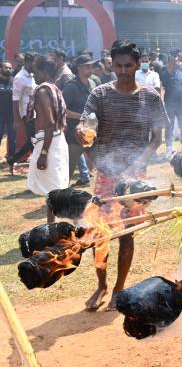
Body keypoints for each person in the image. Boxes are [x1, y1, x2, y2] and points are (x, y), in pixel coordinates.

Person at [76, 40, 169, 311]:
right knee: (99, 234)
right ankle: (102, 285)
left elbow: (157, 138)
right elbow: (85, 127)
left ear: (138, 64)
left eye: (129, 65)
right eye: (118, 65)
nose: (123, 70)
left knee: (127, 234)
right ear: (111, 65)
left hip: (134, 179)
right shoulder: (100, 95)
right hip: (106, 175)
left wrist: (136, 165)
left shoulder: (150, 96)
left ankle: (119, 289)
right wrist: (82, 136)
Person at [26, 55, 69, 223]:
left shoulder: (43, 90)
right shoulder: (54, 88)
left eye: (35, 72)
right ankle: (51, 226)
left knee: (52, 190)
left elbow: (50, 123)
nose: (33, 75)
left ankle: (52, 228)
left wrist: (44, 152)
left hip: (49, 142)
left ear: (43, 71)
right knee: (53, 189)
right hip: (55, 140)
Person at [62, 55, 97, 187]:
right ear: (79, 68)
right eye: (87, 67)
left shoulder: (93, 83)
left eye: (91, 66)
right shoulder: (71, 87)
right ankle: (59, 198)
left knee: (104, 165)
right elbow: (63, 111)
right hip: (74, 136)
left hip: (92, 134)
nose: (90, 69)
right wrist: (83, 117)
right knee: (67, 172)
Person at [8, 52, 36, 173]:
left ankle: (13, 159)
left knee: (33, 140)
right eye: (34, 63)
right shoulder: (20, 78)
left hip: (36, 112)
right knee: (33, 140)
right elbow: (15, 100)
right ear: (28, 62)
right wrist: (16, 119)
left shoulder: (33, 75)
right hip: (27, 114)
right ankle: (14, 159)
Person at [161, 55, 182, 153]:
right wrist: (168, 70)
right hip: (170, 105)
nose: (175, 63)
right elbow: (163, 84)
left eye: (176, 61)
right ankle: (169, 147)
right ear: (169, 63)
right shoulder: (164, 74)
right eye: (172, 62)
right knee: (169, 126)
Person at [0, 61, 15, 161]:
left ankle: (11, 160)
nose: (8, 69)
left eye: (10, 68)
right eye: (6, 68)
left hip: (11, 116)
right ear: (1, 69)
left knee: (12, 139)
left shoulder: (14, 81)